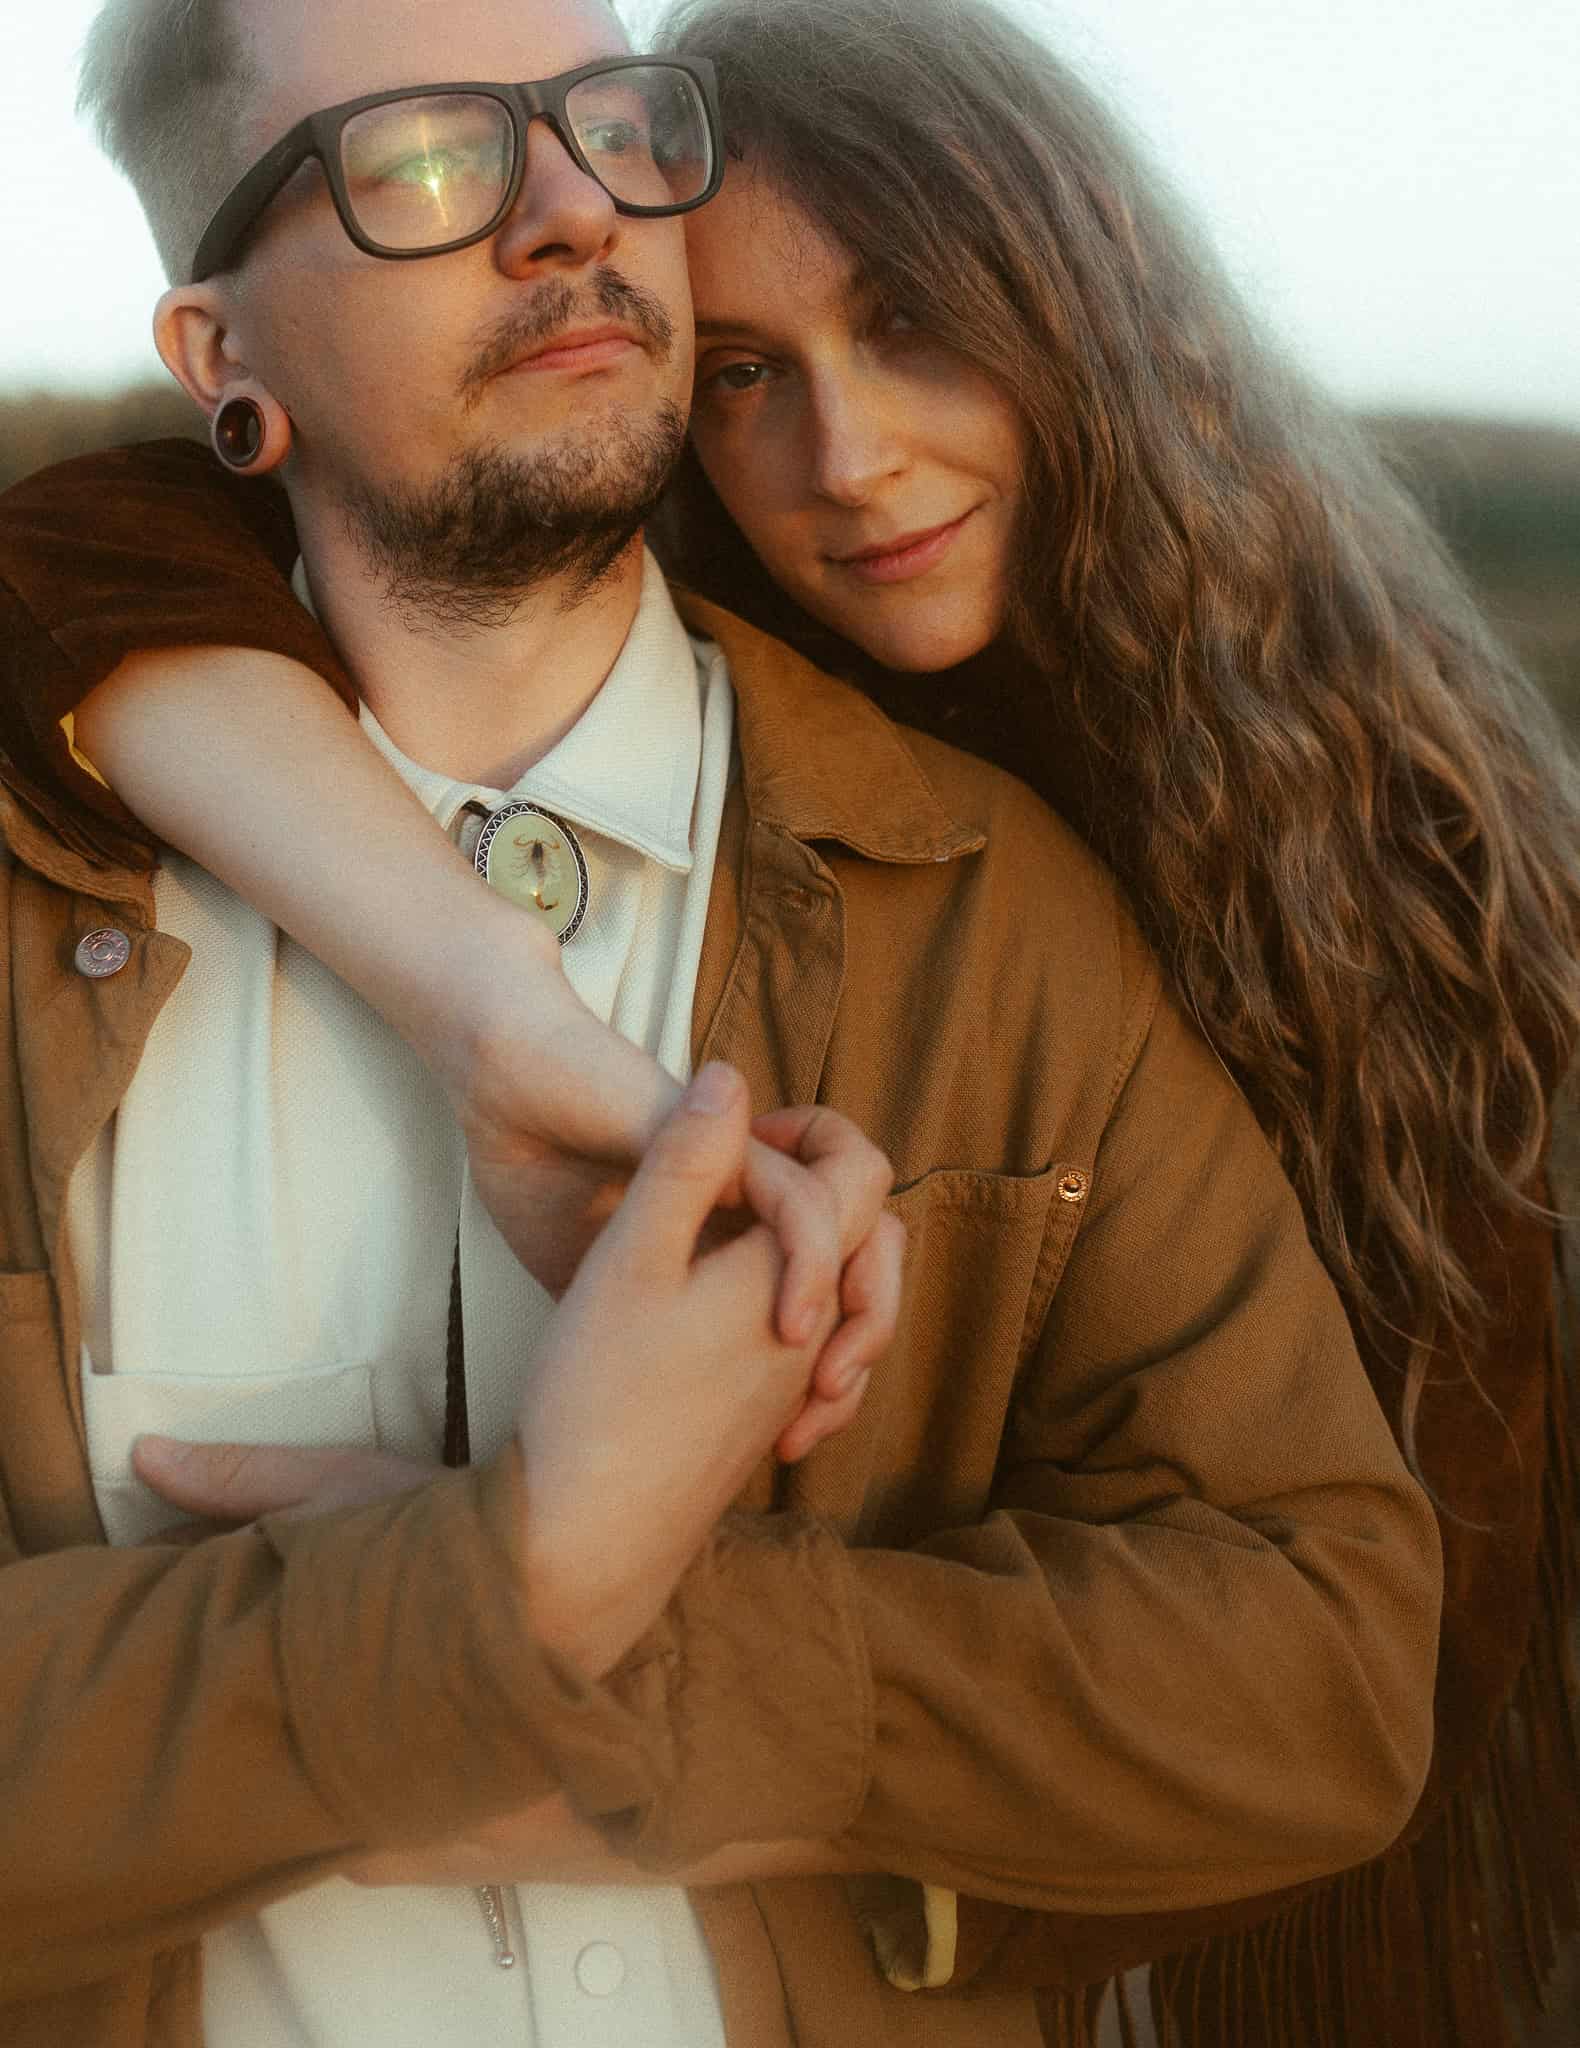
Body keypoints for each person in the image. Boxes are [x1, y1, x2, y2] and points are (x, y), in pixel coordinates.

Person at [0, 0, 1454, 2044]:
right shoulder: (42, 868)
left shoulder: (999, 903)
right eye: (424, 160)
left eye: (610, 127)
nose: (575, 212)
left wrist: (625, 1655)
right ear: (220, 363)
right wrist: (482, 1609)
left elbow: (1320, 1676)